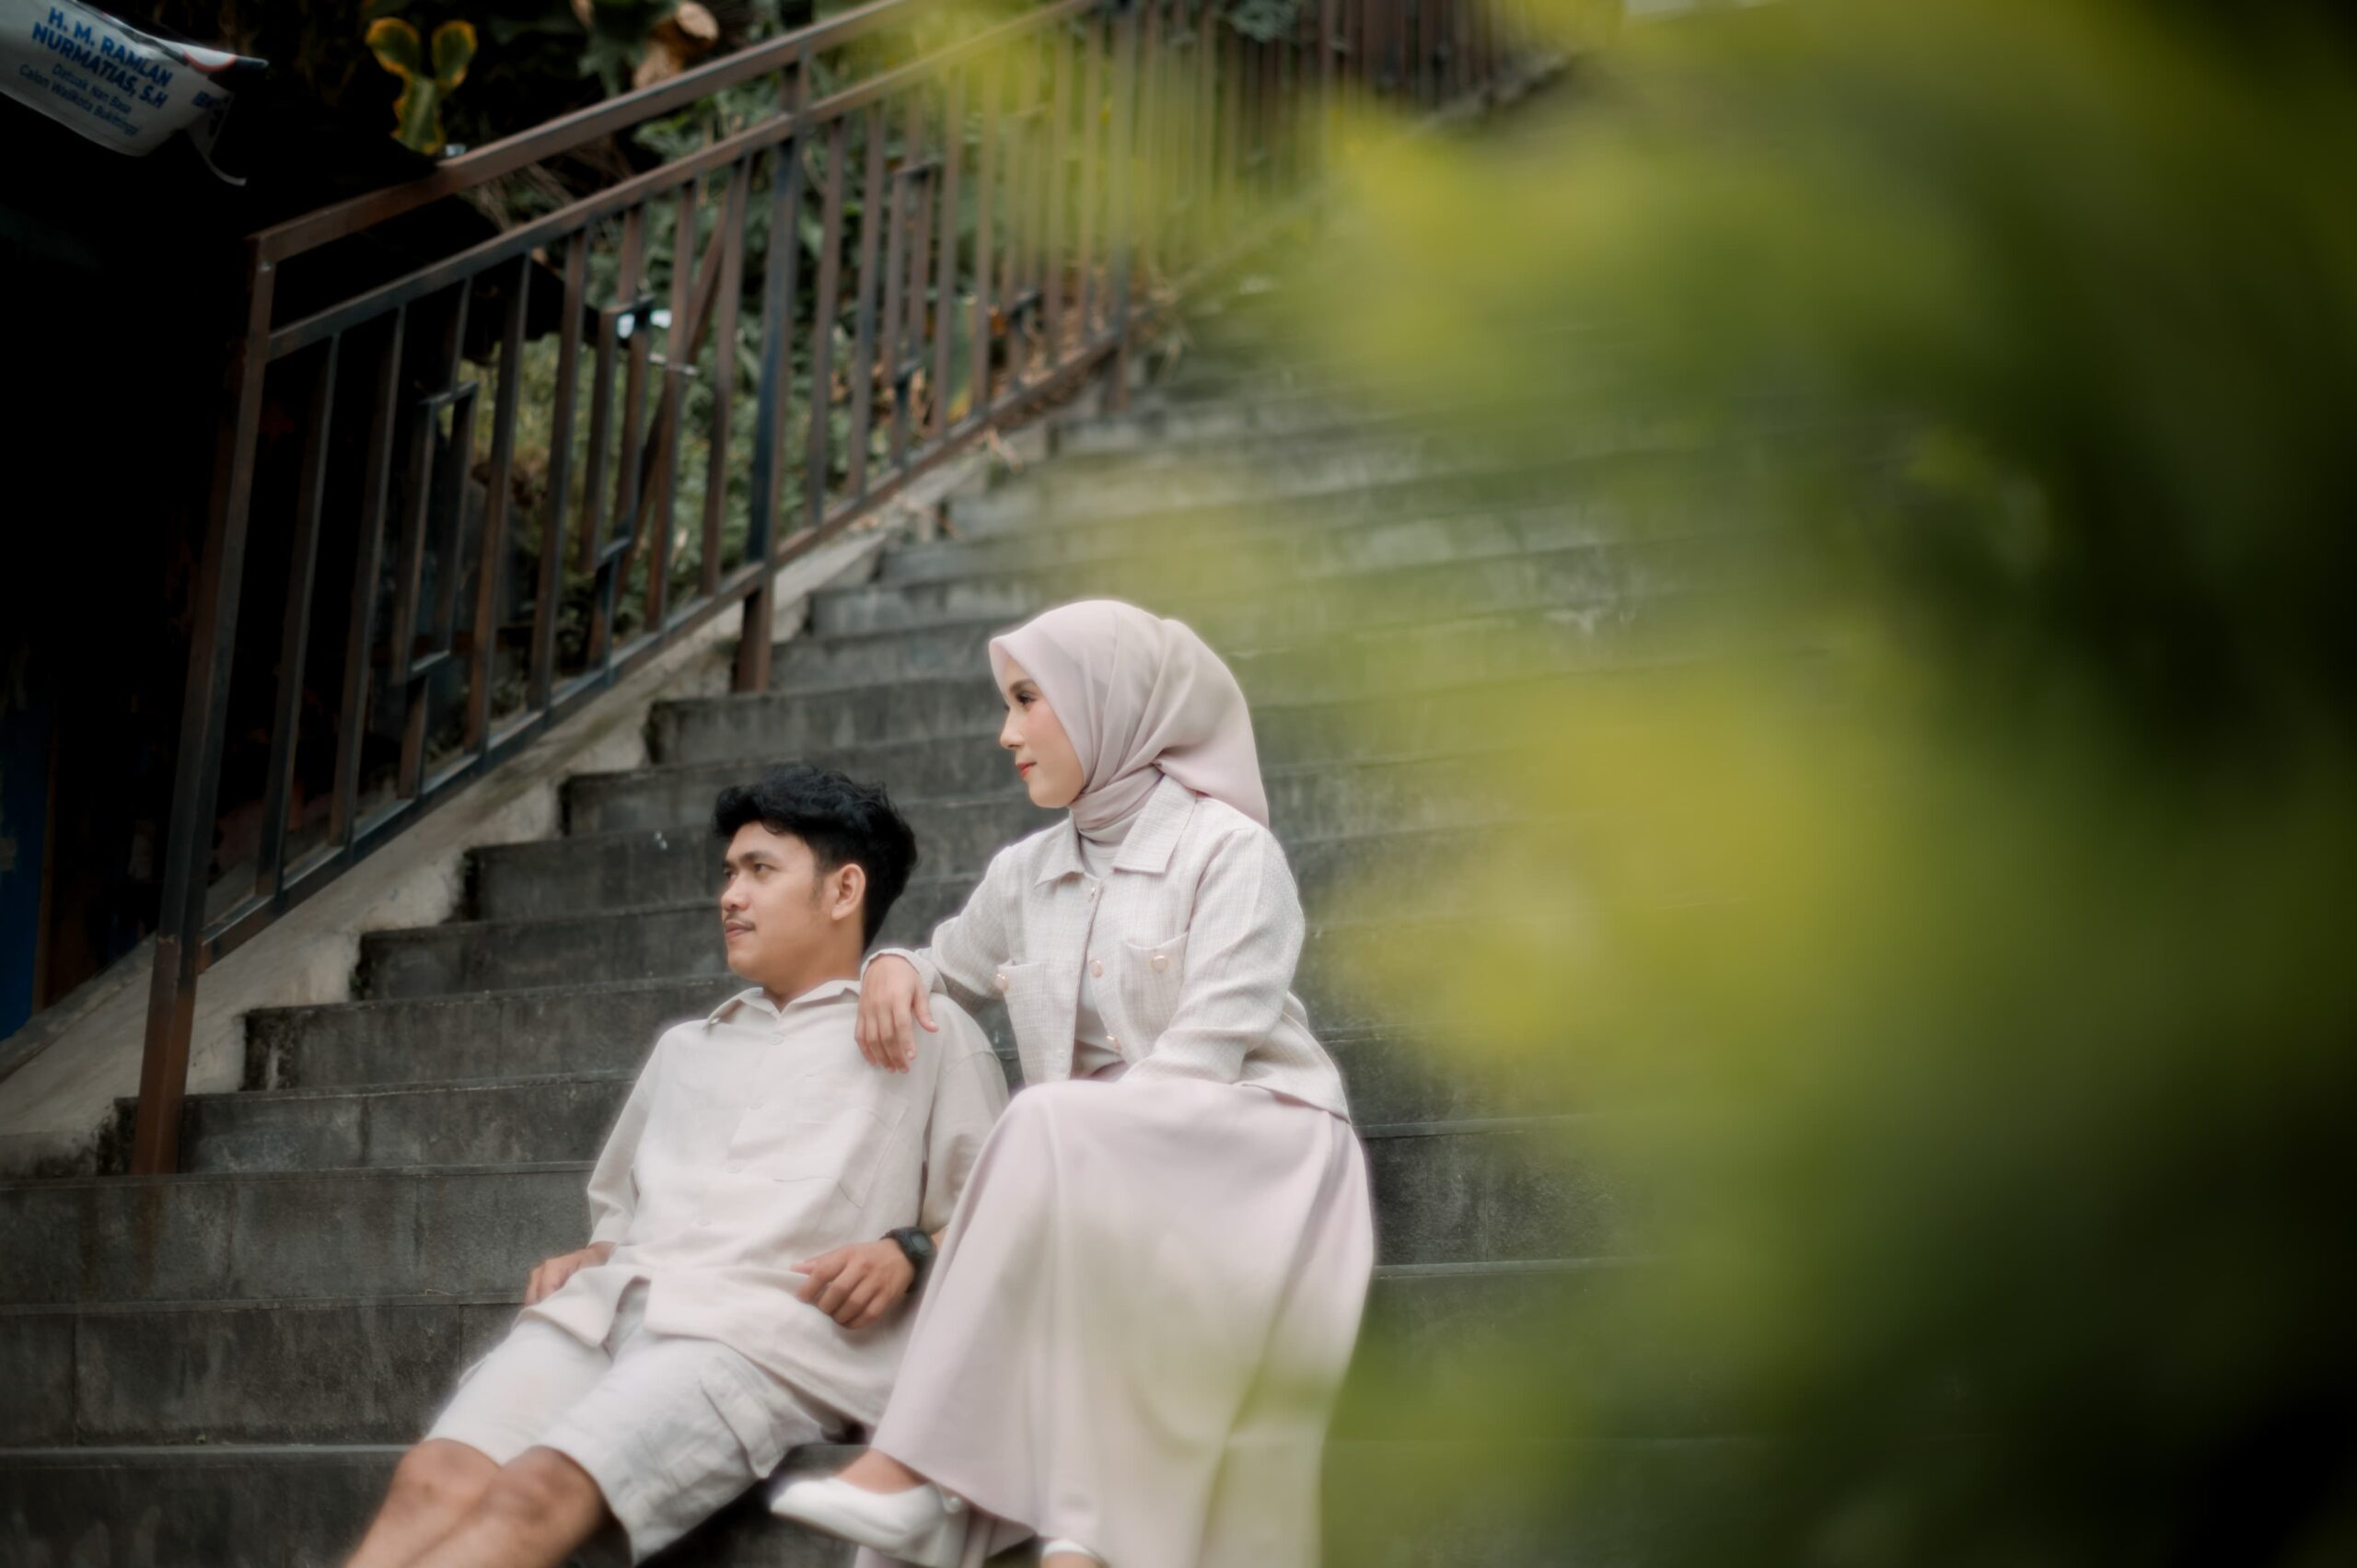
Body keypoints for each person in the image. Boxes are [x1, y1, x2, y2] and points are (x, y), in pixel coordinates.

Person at [771, 600, 1376, 1568]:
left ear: (1108, 703)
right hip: (1096, 1160)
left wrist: (1076, 1157)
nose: (1005, 732)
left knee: (1050, 1115)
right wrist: (891, 966)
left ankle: (910, 1465)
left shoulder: (1229, 850)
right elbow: (943, 964)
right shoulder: (1026, 871)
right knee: (1057, 1128)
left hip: (1259, 1144)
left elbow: (1207, 1054)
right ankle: (1066, 1539)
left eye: (1026, 700)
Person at [341, 765, 1009, 1568]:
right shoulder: (686, 1048)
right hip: (606, 1311)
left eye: (759, 870)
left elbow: (999, 1222)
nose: (730, 895)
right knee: (432, 1479)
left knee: (535, 1494)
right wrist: (593, 1252)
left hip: (758, 1338)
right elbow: (624, 1218)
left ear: (843, 890)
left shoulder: (933, 1035)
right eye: (728, 873)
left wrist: (908, 1251)